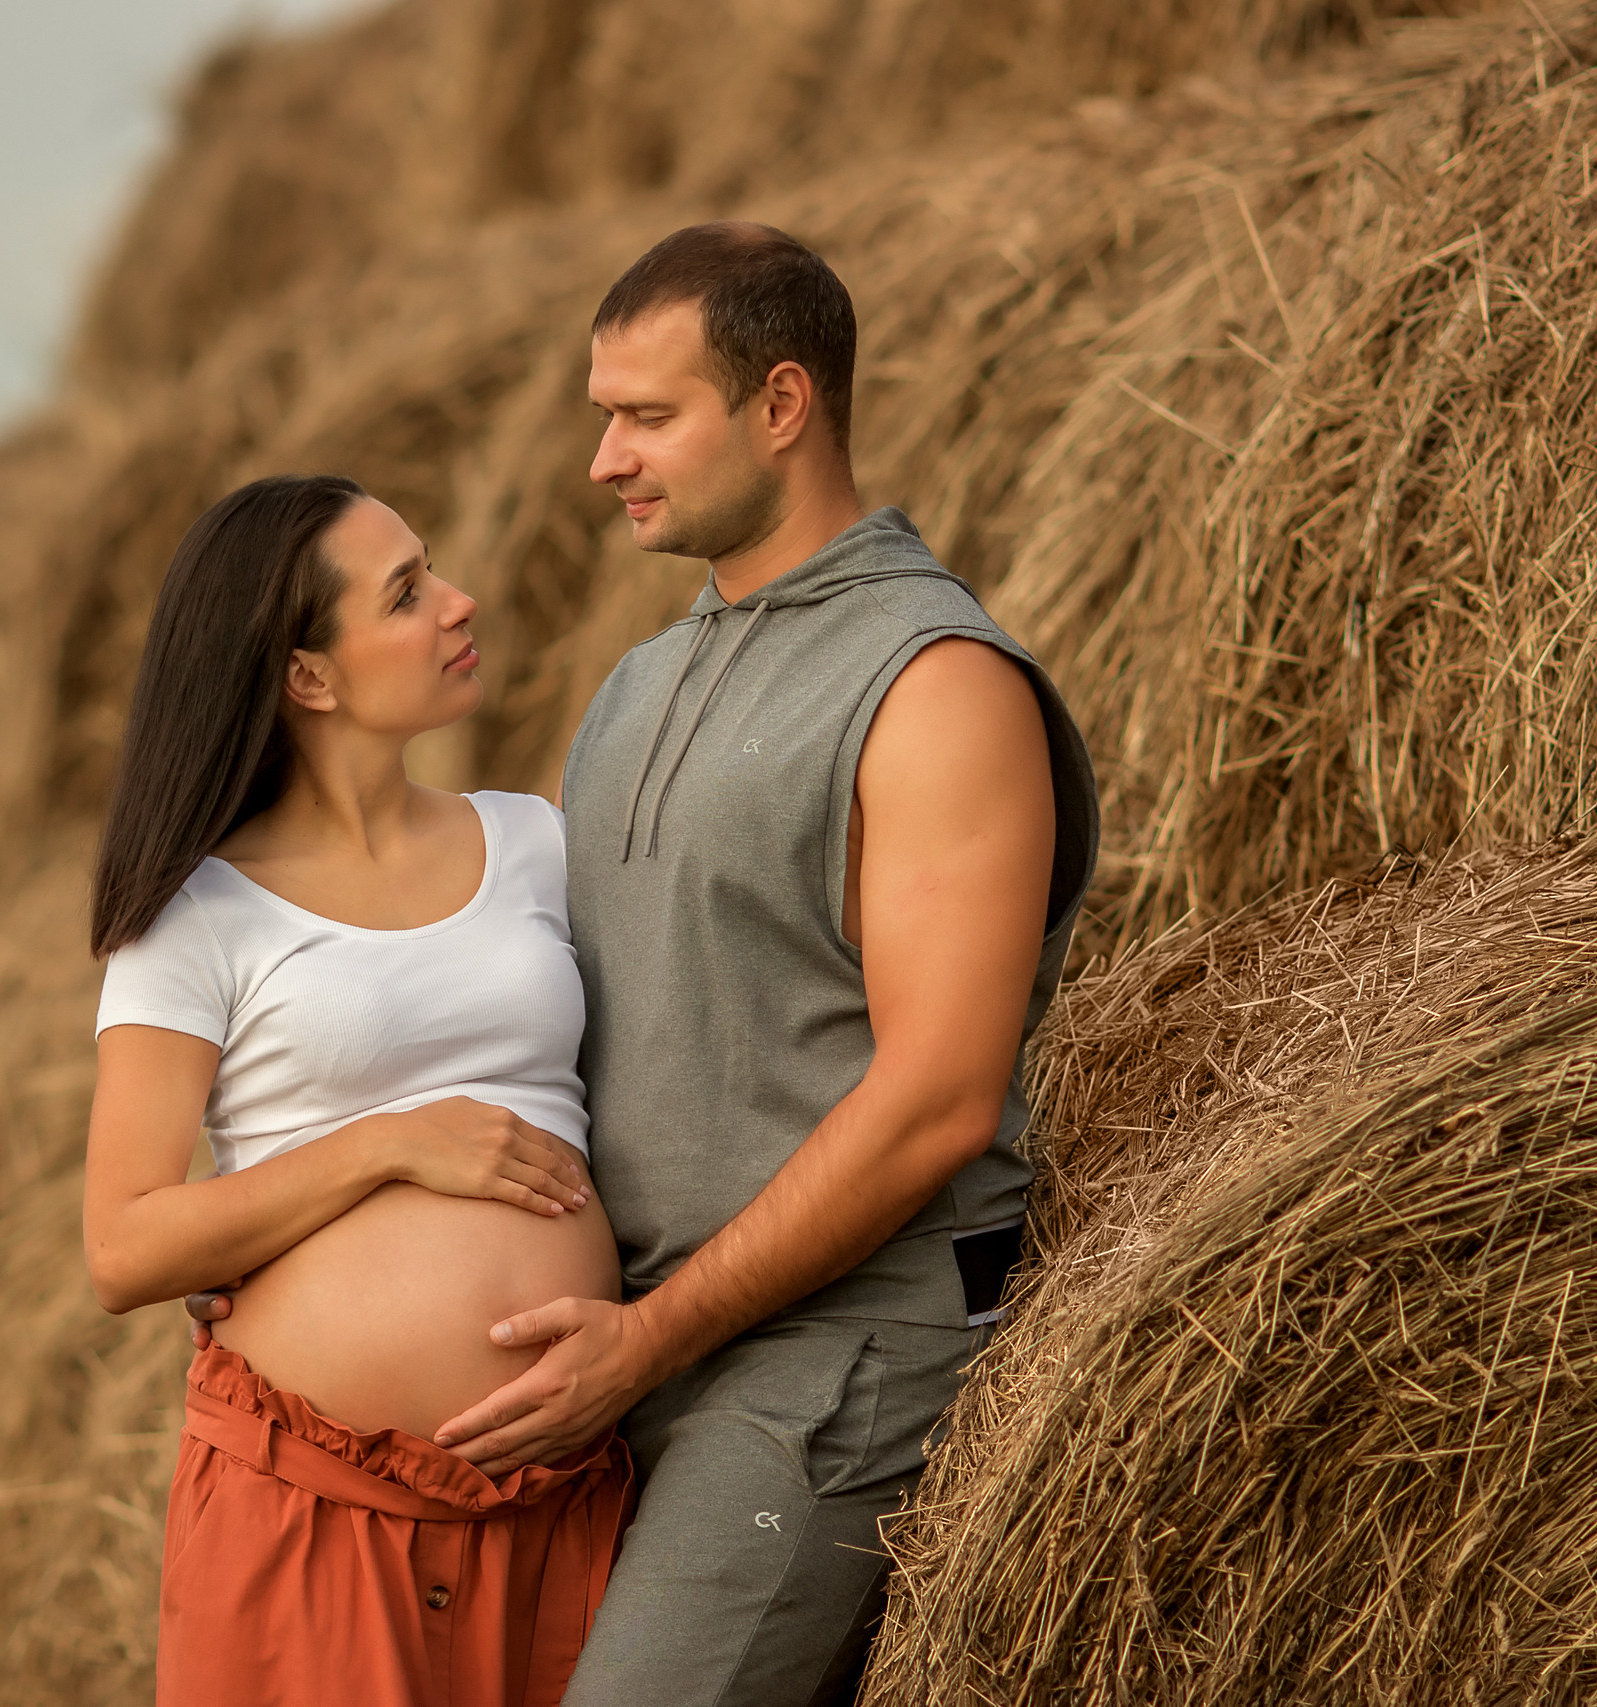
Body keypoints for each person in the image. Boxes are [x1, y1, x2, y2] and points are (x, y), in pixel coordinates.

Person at [195, 222, 1099, 1702]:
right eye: (602, 414)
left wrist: (651, 1335)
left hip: (831, 1353)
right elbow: (536, 1028)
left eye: (648, 415)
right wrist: (299, 1229)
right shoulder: (636, 687)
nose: (604, 458)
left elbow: (939, 1096)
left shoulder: (936, 687)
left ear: (784, 405)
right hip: (627, 1353)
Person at [82, 474, 635, 1707]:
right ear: (309, 676)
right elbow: (123, 1246)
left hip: (560, 1498)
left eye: (431, 570)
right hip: (313, 1509)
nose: (459, 601)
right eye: (406, 593)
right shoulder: (193, 917)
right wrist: (386, 1146)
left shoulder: (540, 843)